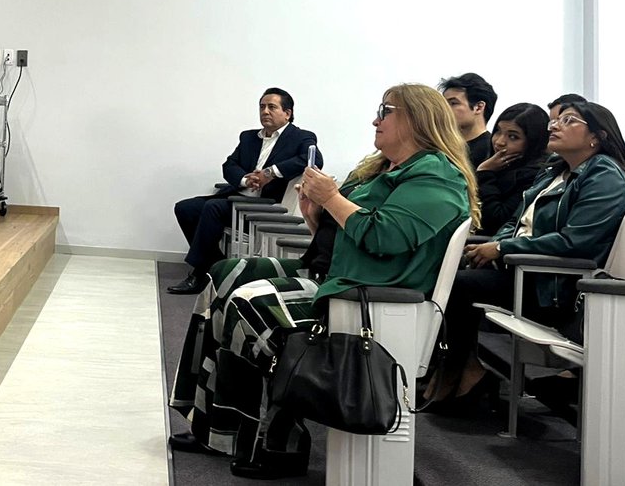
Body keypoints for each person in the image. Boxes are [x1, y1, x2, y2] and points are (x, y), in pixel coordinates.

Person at [169, 84, 474, 477]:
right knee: (224, 275)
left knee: (248, 302)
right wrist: (316, 213)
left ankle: (281, 438)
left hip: (367, 296)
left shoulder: (436, 175)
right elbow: (343, 232)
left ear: (417, 118)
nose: (375, 119)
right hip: (336, 273)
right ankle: (218, 426)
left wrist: (331, 198)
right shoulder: (384, 167)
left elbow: (385, 237)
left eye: (386, 110)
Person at [429, 100, 625, 405]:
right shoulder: (554, 171)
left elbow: (576, 242)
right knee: (442, 272)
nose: (555, 125)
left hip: (551, 288)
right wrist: (496, 246)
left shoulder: (603, 176)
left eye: (568, 121)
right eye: (556, 120)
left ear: (597, 136)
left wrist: (501, 248)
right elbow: (515, 220)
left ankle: (462, 370)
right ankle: (457, 369)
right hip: (522, 270)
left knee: (459, 287)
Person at [169, 89, 321, 295]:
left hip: (267, 206)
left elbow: (312, 160)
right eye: (262, 107)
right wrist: (244, 179)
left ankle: (199, 273)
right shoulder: (249, 137)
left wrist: (270, 173)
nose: (265, 111)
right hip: (238, 198)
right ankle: (216, 266)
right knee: (186, 208)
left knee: (213, 207)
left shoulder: (301, 137)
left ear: (287, 113)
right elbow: (229, 165)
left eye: (272, 107)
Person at [475, 102, 550, 235]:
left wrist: (485, 173)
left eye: (513, 136)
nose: (499, 142)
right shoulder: (496, 165)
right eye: (498, 131)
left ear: (533, 142)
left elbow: (496, 221)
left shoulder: (535, 176)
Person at [439, 72, 498, 167]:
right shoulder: (442, 148)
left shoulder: (491, 151)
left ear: (478, 107)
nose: (445, 110)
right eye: (444, 104)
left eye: (453, 103)